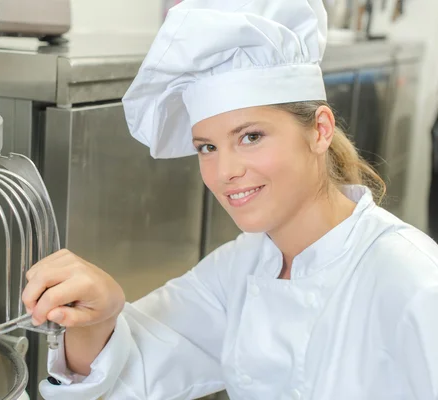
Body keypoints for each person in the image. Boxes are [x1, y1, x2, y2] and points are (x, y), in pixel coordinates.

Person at [22, 1, 438, 399]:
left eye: (250, 137)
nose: (225, 172)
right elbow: (127, 375)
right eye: (207, 147)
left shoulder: (412, 278)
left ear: (320, 130)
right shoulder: (239, 268)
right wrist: (97, 317)